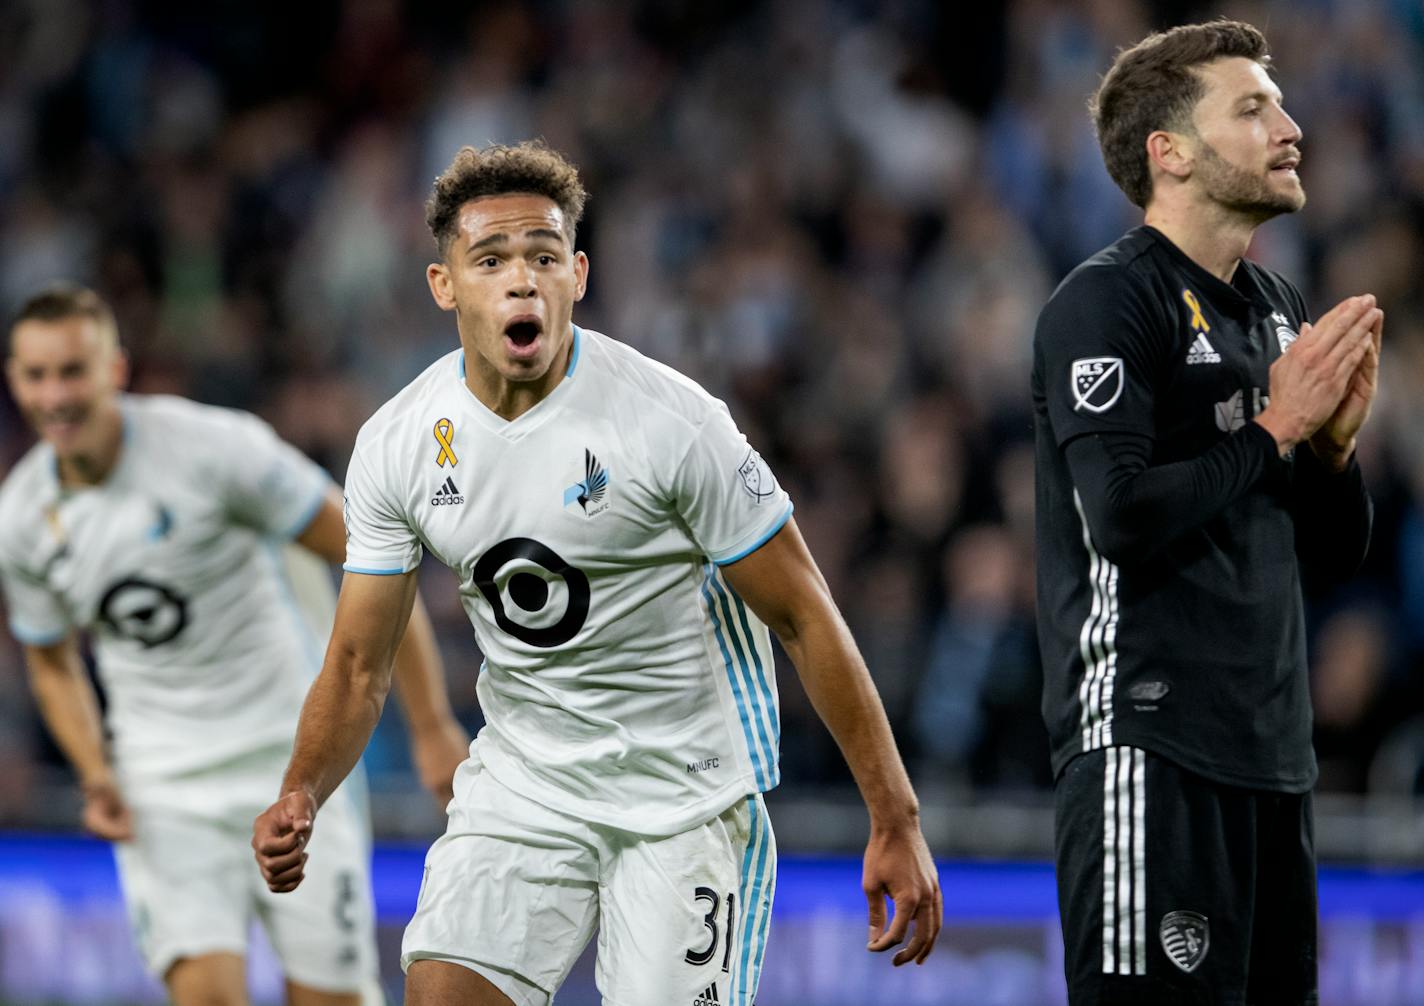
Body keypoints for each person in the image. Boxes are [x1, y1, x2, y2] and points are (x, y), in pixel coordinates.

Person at [252, 140, 941, 1006]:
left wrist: (895, 816)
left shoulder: (671, 423)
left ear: (577, 274)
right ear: (445, 285)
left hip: (684, 801)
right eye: (491, 259)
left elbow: (805, 615)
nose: (521, 280)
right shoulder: (399, 443)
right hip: (526, 785)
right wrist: (302, 791)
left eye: (543, 257)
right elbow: (358, 664)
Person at [1032, 20, 1380, 1005]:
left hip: (1271, 757)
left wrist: (1332, 450)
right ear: (1169, 152)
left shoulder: (1274, 307)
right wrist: (1273, 428)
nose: (1289, 125)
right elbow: (1121, 515)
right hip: (1145, 747)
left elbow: (1333, 553)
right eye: (1252, 107)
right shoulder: (1102, 306)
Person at [0, 284, 471, 1006]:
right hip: (163, 785)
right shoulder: (23, 517)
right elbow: (50, 658)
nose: (56, 395)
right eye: (37, 375)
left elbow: (376, 561)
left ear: (114, 371)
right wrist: (96, 772)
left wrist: (432, 726)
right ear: (14, 380)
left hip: (292, 766)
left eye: (73, 371)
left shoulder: (214, 450)